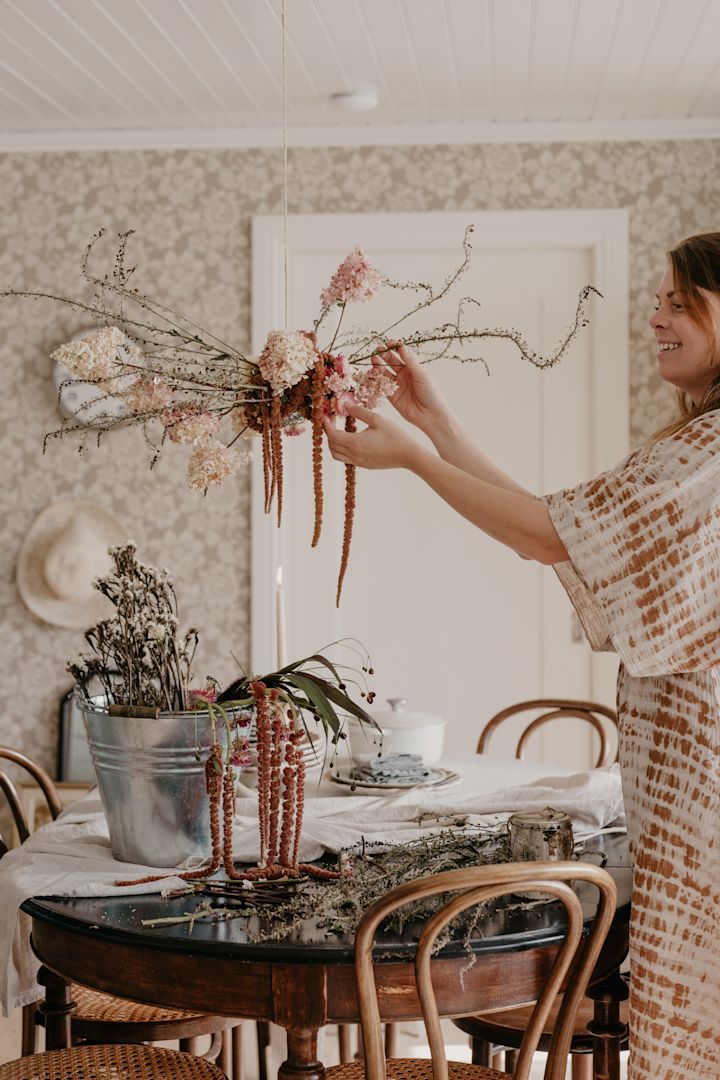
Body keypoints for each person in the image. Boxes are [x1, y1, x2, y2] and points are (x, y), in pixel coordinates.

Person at [324, 231, 720, 1080]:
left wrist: (416, 459)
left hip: (706, 791)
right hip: (689, 783)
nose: (652, 316)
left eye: (677, 302)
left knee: (696, 1024)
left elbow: (545, 536)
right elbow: (564, 532)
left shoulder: (710, 455)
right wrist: (437, 426)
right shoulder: (703, 446)